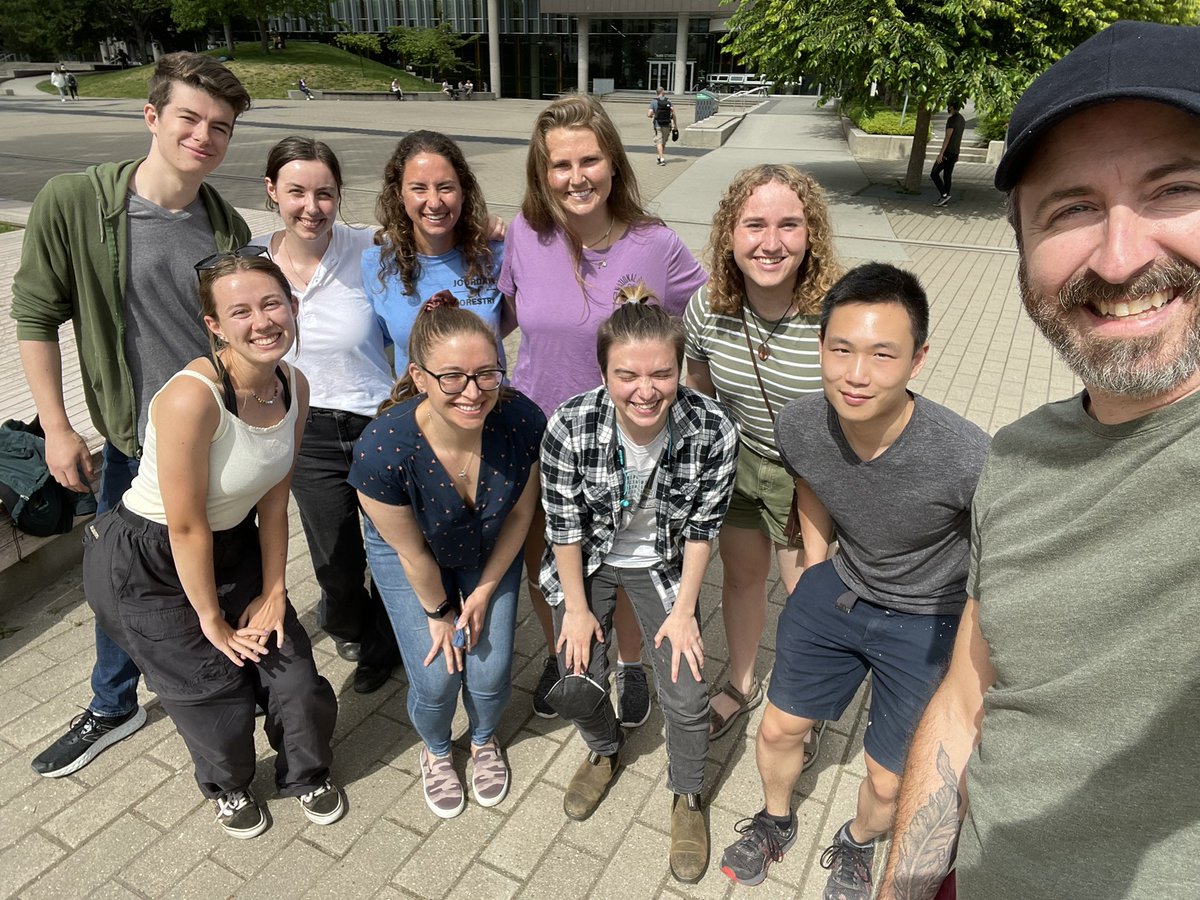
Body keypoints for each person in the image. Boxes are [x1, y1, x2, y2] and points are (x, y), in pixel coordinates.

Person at [881, 20, 1200, 900]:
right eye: (1071, 207)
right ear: (1020, 242)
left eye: (1175, 189)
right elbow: (965, 698)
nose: (1122, 253)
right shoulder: (1016, 460)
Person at [12, 52, 252, 779]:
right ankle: (112, 704)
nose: (204, 136)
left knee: (224, 577)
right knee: (124, 588)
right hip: (132, 445)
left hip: (218, 444)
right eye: (189, 118)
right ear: (152, 116)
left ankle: (227, 684)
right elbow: (34, 314)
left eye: (220, 126)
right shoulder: (76, 201)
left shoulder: (225, 223)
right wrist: (56, 426)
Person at [718, 263, 989, 898]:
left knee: (892, 780)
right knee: (780, 727)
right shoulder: (801, 422)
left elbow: (998, 550)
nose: (857, 374)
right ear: (820, 348)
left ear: (918, 359)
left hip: (929, 618)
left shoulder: (967, 456)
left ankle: (856, 842)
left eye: (882, 354)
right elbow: (810, 477)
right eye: (840, 350)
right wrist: (813, 563)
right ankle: (775, 820)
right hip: (838, 588)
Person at [84, 251, 341, 838]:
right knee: (213, 690)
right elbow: (185, 527)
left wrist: (276, 590)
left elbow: (275, 498)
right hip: (148, 559)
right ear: (215, 326)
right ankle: (229, 786)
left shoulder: (293, 385)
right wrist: (212, 621)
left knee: (294, 676)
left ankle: (308, 772)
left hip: (231, 546)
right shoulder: (191, 398)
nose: (263, 321)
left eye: (273, 303)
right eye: (241, 311)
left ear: (293, 307)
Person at [500, 92, 707, 724]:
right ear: (542, 174)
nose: (575, 177)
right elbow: (498, 313)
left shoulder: (656, 244)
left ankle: (631, 659)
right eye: (559, 165)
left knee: (618, 555)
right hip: (538, 429)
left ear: (613, 163)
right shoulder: (523, 234)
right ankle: (570, 648)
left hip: (625, 436)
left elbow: (705, 319)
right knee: (548, 557)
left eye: (589, 160)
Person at [540, 294, 738, 883]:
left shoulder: (713, 429)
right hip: (590, 559)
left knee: (686, 689)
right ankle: (603, 750)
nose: (645, 390)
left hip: (666, 563)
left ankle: (688, 795)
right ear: (603, 373)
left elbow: (703, 529)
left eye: (661, 373)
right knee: (574, 674)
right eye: (627, 374)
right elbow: (564, 526)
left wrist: (683, 612)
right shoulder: (569, 424)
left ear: (680, 370)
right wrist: (576, 608)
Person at [352, 299, 545, 819]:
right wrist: (441, 615)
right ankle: (437, 750)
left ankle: (483, 740)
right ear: (418, 376)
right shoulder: (383, 448)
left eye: (486, 374)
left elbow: (522, 519)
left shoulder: (522, 420)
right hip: (411, 555)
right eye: (453, 377)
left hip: (487, 544)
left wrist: (481, 593)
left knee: (490, 668)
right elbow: (410, 551)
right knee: (438, 675)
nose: (473, 391)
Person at [685, 164, 841, 757]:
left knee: (807, 590)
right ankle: (742, 682)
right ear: (730, 233)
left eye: (789, 225)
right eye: (754, 225)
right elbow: (699, 384)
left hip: (811, 477)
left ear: (811, 236)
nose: (770, 243)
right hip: (741, 462)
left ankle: (806, 699)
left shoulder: (833, 310)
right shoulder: (709, 306)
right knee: (745, 578)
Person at [252, 136, 400, 695]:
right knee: (335, 555)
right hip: (303, 429)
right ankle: (349, 624)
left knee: (390, 546)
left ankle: (385, 648)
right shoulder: (251, 261)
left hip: (376, 421)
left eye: (324, 194)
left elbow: (437, 238)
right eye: (296, 192)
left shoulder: (370, 248)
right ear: (272, 192)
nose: (311, 207)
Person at [362, 130, 505, 375]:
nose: (434, 202)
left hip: (487, 405)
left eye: (445, 187)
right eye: (419, 188)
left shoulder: (494, 255)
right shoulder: (377, 265)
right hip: (416, 409)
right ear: (399, 193)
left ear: (463, 190)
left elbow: (506, 325)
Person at [930, 100, 965, 207]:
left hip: (948, 152)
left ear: (951, 107)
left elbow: (948, 137)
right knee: (947, 175)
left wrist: (941, 153)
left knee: (934, 173)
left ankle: (944, 195)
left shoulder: (952, 120)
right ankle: (945, 200)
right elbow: (959, 138)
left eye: (949, 107)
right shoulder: (962, 119)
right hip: (955, 152)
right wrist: (957, 153)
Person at [647, 87, 677, 166]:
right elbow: (673, 114)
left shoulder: (653, 102)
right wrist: (675, 125)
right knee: (663, 141)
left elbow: (649, 114)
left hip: (658, 124)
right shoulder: (669, 101)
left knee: (658, 141)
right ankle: (660, 156)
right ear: (663, 92)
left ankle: (662, 158)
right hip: (667, 124)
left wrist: (654, 114)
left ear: (657, 93)